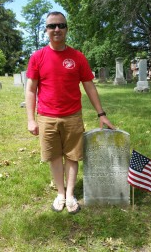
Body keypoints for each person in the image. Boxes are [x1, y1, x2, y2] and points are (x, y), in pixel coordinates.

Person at [26, 11, 115, 214]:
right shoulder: (37, 57)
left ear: (66, 29)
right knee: (55, 156)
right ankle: (60, 192)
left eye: (61, 25)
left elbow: (89, 86)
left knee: (72, 156)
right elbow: (31, 89)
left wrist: (101, 114)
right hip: (47, 117)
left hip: (72, 115)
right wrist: (31, 119)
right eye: (52, 26)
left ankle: (70, 194)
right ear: (46, 30)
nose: (56, 29)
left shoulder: (77, 57)